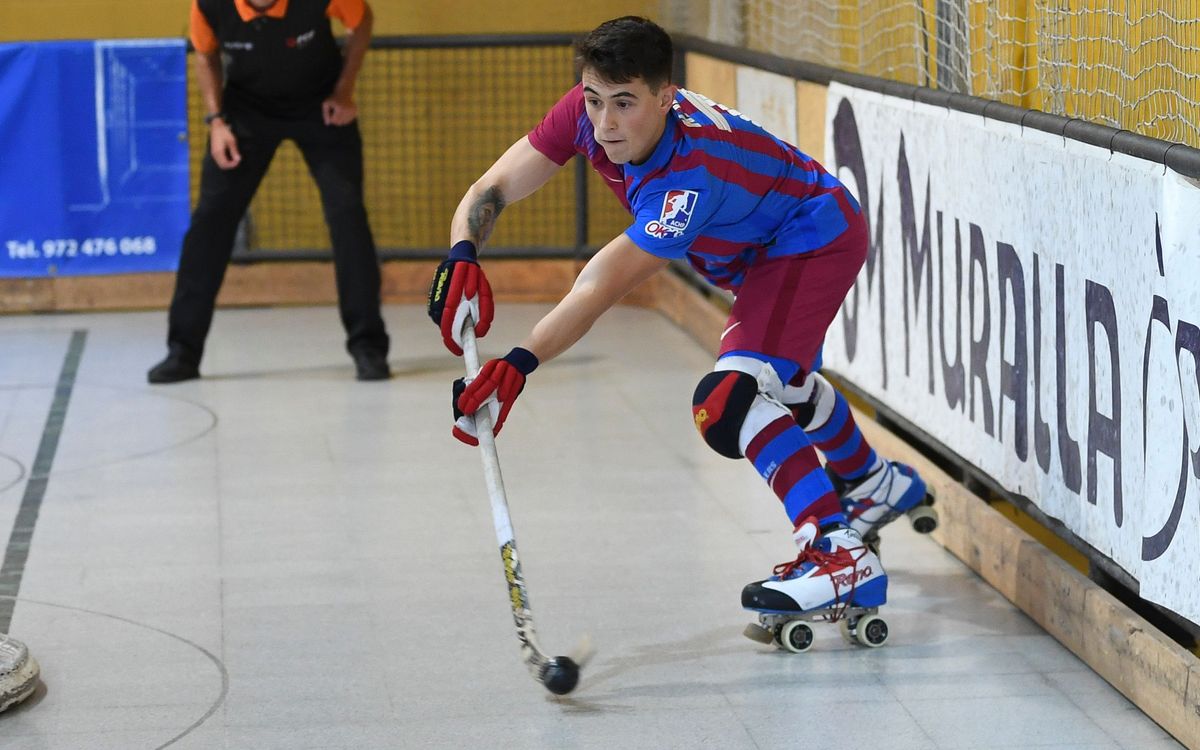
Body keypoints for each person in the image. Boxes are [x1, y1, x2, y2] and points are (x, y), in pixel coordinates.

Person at [427, 17, 932, 621]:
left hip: (810, 238)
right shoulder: (587, 115)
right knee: (785, 386)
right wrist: (461, 252)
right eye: (593, 101)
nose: (605, 123)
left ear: (666, 98)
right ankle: (873, 482)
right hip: (759, 249)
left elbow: (598, 287)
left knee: (730, 399)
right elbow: (494, 187)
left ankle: (834, 550)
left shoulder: (685, 182)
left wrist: (519, 362)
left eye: (624, 104)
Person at [149, 0, 390, 384]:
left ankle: (369, 348)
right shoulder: (209, 5)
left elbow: (362, 23)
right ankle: (183, 352)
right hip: (246, 113)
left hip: (321, 106)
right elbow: (205, 56)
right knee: (210, 221)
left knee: (348, 216)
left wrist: (344, 91)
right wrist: (216, 122)